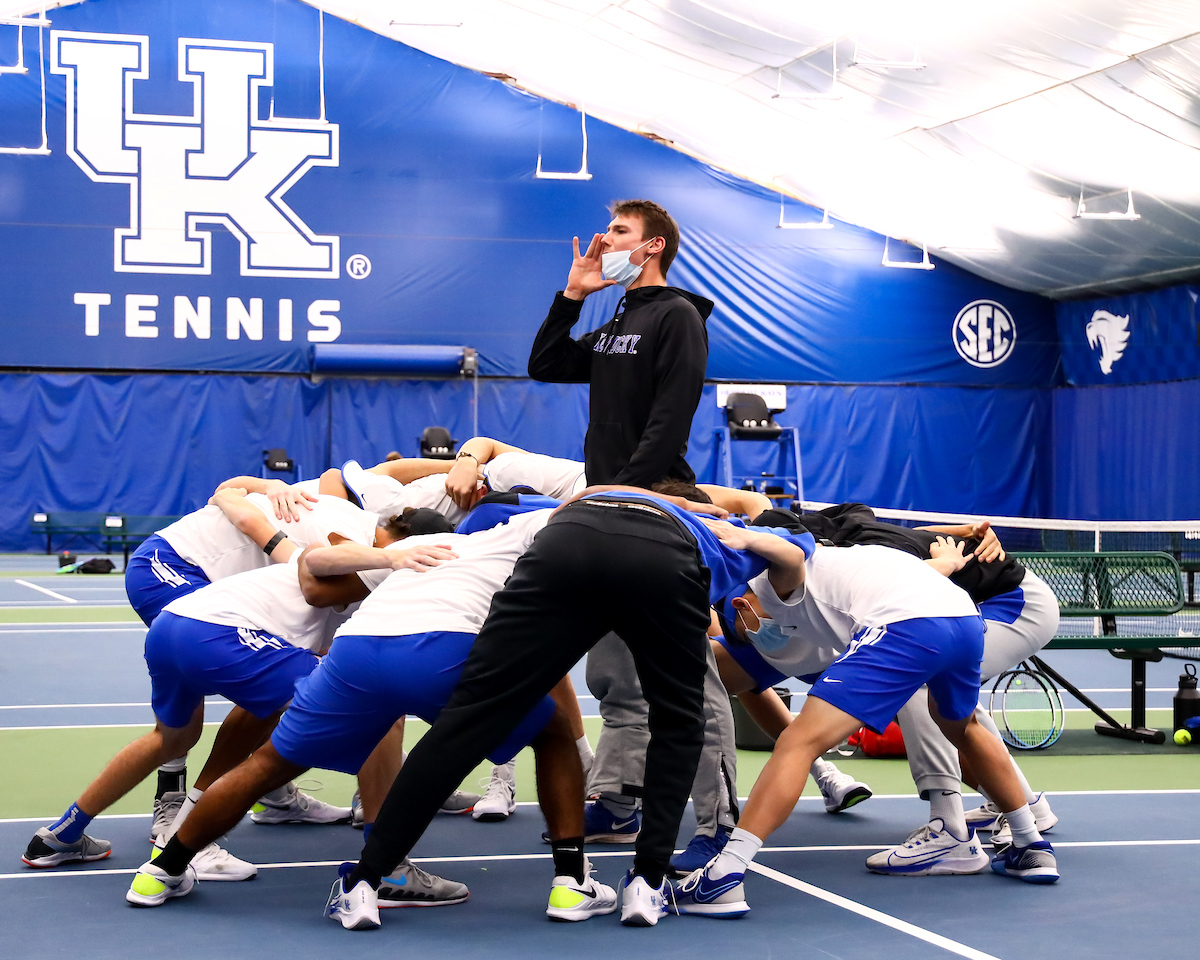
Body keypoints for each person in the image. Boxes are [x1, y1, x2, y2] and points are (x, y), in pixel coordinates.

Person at [327, 486, 814, 930]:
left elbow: (562, 498)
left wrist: (678, 506)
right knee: (680, 723)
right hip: (663, 560)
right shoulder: (743, 539)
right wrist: (753, 539)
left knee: (468, 719)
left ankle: (365, 881)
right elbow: (794, 554)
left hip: (567, 543)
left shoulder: (627, 505)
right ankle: (647, 884)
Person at [128, 509, 591, 922]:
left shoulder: (417, 549)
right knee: (554, 733)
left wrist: (386, 557)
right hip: (441, 645)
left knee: (269, 763)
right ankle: (571, 884)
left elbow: (314, 563)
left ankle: (160, 870)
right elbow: (580, 506)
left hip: (355, 649)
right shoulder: (526, 530)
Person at [23, 497, 438, 878]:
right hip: (219, 631)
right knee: (371, 708)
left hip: (175, 624)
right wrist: (392, 559)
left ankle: (61, 835)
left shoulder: (355, 549)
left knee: (171, 739)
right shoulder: (371, 558)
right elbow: (315, 572)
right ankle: (383, 868)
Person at [668, 525, 1059, 920]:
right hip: (963, 619)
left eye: (743, 628)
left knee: (798, 742)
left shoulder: (772, 582)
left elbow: (789, 554)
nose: (752, 635)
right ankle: (1030, 845)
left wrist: (742, 535)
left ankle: (724, 875)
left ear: (741, 604)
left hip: (904, 626)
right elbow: (927, 574)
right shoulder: (851, 561)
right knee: (962, 727)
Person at [527, 199, 710, 487]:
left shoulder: (678, 316)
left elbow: (669, 422)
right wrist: (572, 295)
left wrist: (621, 490)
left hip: (650, 491)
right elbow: (545, 365)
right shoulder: (618, 323)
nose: (605, 240)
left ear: (654, 245)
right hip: (605, 487)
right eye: (608, 229)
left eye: (620, 231)